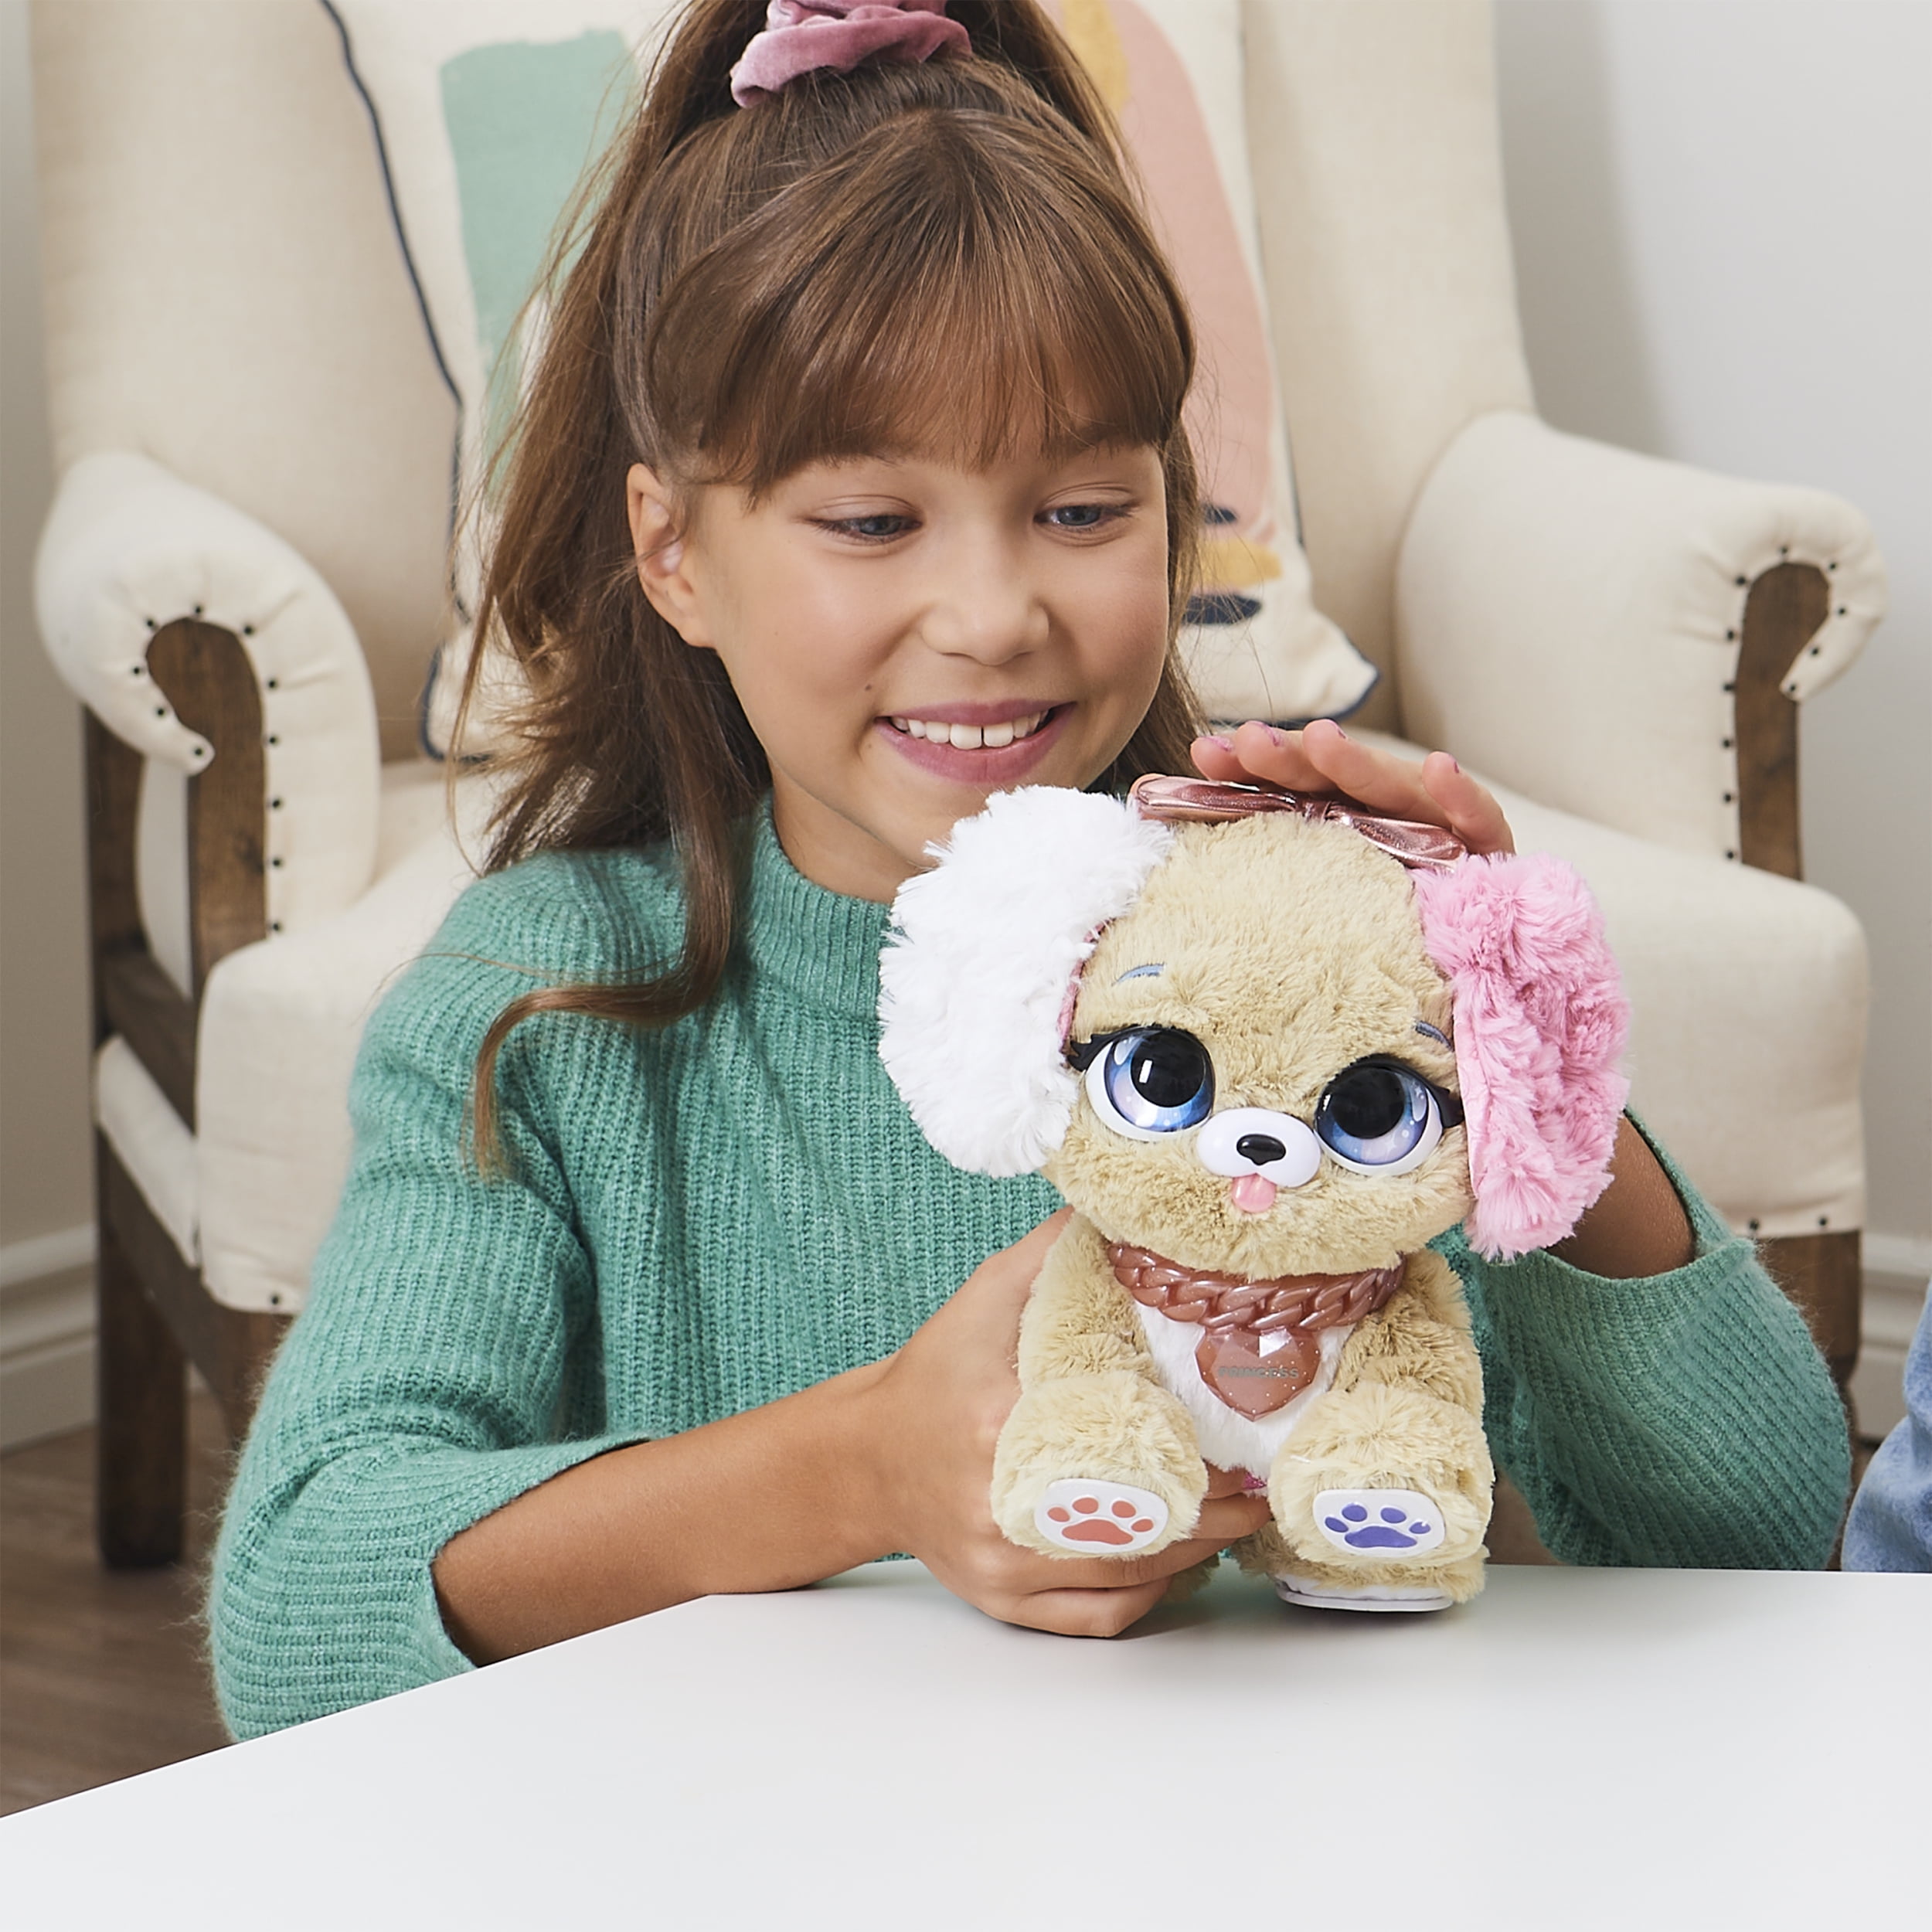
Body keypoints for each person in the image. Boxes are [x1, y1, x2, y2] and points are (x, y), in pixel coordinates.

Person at [209, 0, 1852, 1739]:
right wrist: (859, 1466)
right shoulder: (547, 997)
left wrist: (1532, 1062)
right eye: (871, 521)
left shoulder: (1323, 942)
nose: (993, 616)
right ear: (674, 551)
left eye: (1080, 510)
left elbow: (1754, 1536)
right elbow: (295, 1605)